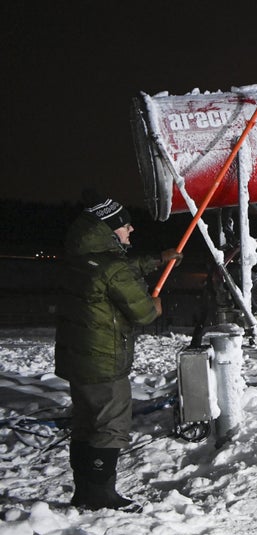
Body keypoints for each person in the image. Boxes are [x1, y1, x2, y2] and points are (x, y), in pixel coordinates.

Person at [54, 194, 180, 511]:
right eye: (124, 226)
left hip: (79, 360)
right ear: (109, 232)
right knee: (110, 427)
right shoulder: (111, 268)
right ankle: (100, 496)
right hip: (105, 363)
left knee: (86, 424)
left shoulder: (80, 258)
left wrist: (157, 260)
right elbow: (143, 313)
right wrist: (155, 306)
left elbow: (118, 269)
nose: (131, 229)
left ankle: (85, 490)